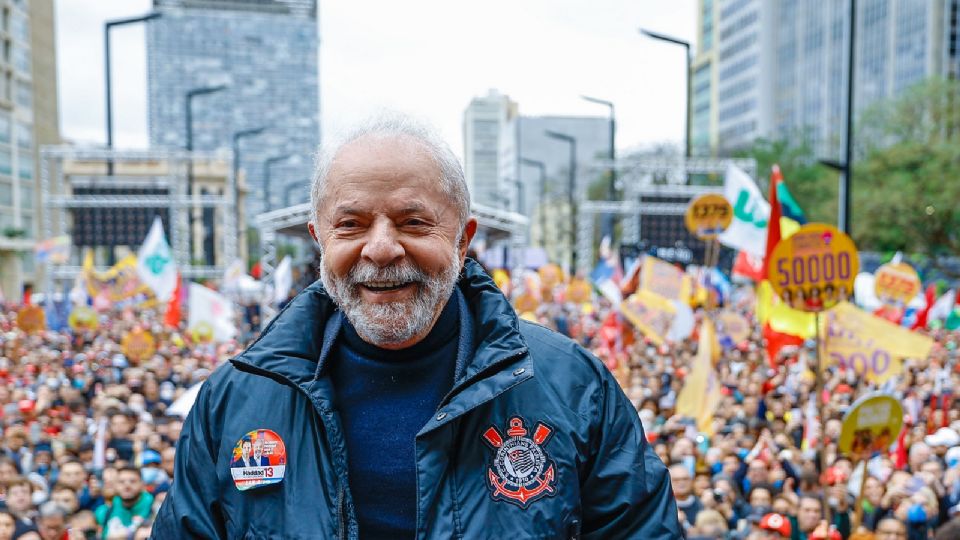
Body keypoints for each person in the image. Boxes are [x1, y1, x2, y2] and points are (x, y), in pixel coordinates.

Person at [154, 114, 680, 539]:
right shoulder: (235, 401)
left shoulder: (575, 389)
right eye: (351, 224)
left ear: (463, 237)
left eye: (414, 222)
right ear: (319, 239)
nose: (381, 249)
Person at [95, 467, 154, 539]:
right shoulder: (104, 512)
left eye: (132, 481)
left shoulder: (156, 506)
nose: (127, 485)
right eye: (121, 482)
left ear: (142, 484)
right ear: (115, 485)